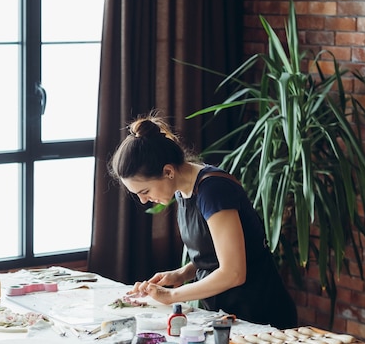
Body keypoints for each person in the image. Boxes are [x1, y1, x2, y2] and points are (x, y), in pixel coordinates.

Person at [108, 112, 297, 329]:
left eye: (144, 190)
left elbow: (234, 272)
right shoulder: (182, 190)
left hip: (259, 313)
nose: (143, 201)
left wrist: (172, 296)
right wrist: (181, 273)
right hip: (225, 312)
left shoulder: (213, 191)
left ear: (168, 171)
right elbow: (215, 252)